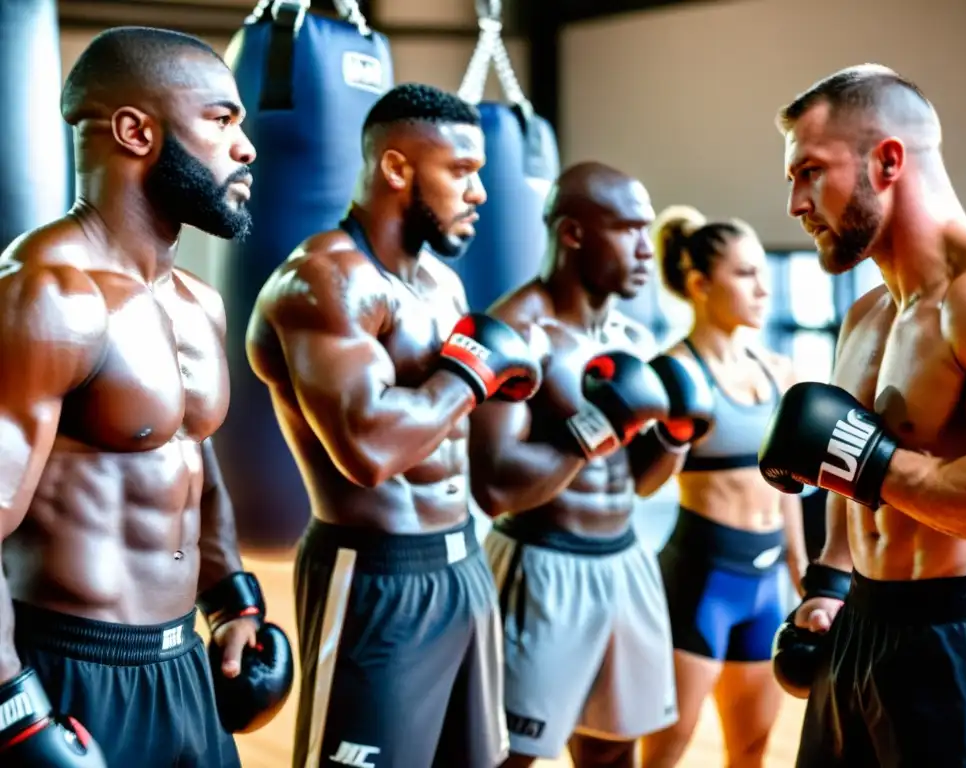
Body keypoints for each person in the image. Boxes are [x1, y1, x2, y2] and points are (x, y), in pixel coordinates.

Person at [0, 26, 293, 767]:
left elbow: (195, 457)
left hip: (184, 668)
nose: (246, 146)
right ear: (135, 131)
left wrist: (233, 597)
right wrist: (12, 706)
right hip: (70, 674)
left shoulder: (198, 302)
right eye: (223, 121)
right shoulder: (46, 297)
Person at [247, 82, 541, 768]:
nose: (480, 193)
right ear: (397, 168)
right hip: (375, 573)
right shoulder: (326, 279)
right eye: (461, 172)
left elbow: (461, 425)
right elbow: (370, 450)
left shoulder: (444, 286)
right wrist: (472, 373)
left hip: (464, 561)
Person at [759, 63, 966, 767]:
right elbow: (849, 481)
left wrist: (871, 464)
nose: (794, 202)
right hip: (864, 625)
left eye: (809, 171)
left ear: (887, 161)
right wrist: (827, 585)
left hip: (964, 631)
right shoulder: (865, 314)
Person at [469, 161, 715, 768]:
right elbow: (496, 487)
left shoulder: (631, 337)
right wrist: (596, 428)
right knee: (508, 754)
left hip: (625, 562)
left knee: (611, 751)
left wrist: (676, 436)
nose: (643, 249)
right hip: (541, 564)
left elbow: (636, 482)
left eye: (646, 229)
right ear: (574, 233)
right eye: (628, 229)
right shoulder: (520, 331)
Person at [639, 206, 808, 768]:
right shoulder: (672, 371)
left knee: (752, 751)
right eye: (745, 274)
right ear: (699, 284)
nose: (763, 288)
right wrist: (672, 434)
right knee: (667, 750)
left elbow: (787, 486)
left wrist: (801, 572)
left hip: (766, 585)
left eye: (763, 272)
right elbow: (644, 484)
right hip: (699, 582)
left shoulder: (777, 369)